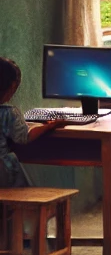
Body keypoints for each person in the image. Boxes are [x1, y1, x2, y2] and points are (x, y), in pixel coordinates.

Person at [0, 57, 66, 188]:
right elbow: (24, 137)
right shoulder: (9, 113)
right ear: (12, 86)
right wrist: (49, 126)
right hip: (3, 175)